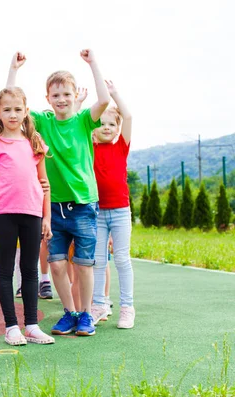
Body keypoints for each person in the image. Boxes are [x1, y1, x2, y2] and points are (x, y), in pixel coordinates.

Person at [7, 49, 110, 336]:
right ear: (48, 99)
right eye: (56, 95)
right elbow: (12, 103)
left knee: (84, 264)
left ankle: (87, 315)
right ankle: (70, 313)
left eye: (67, 94)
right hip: (53, 207)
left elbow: (104, 100)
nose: (62, 100)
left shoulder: (83, 121)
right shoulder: (45, 122)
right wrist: (14, 69)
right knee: (56, 264)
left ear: (76, 95)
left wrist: (93, 62)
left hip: (83, 203)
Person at [0, 87, 55, 346]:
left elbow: (44, 182)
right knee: (5, 269)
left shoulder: (35, 144)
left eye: (17, 109)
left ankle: (32, 326)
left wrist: (46, 217)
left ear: (26, 112)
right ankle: (12, 327)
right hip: (5, 213)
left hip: (33, 213)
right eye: (7, 110)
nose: (12, 115)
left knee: (30, 270)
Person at [88, 80, 135, 329]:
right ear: (93, 128)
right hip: (96, 212)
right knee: (98, 260)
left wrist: (115, 94)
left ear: (117, 129)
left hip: (119, 212)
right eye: (101, 124)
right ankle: (99, 305)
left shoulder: (121, 147)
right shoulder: (89, 148)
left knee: (122, 259)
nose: (106, 128)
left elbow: (127, 115)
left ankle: (127, 308)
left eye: (111, 124)